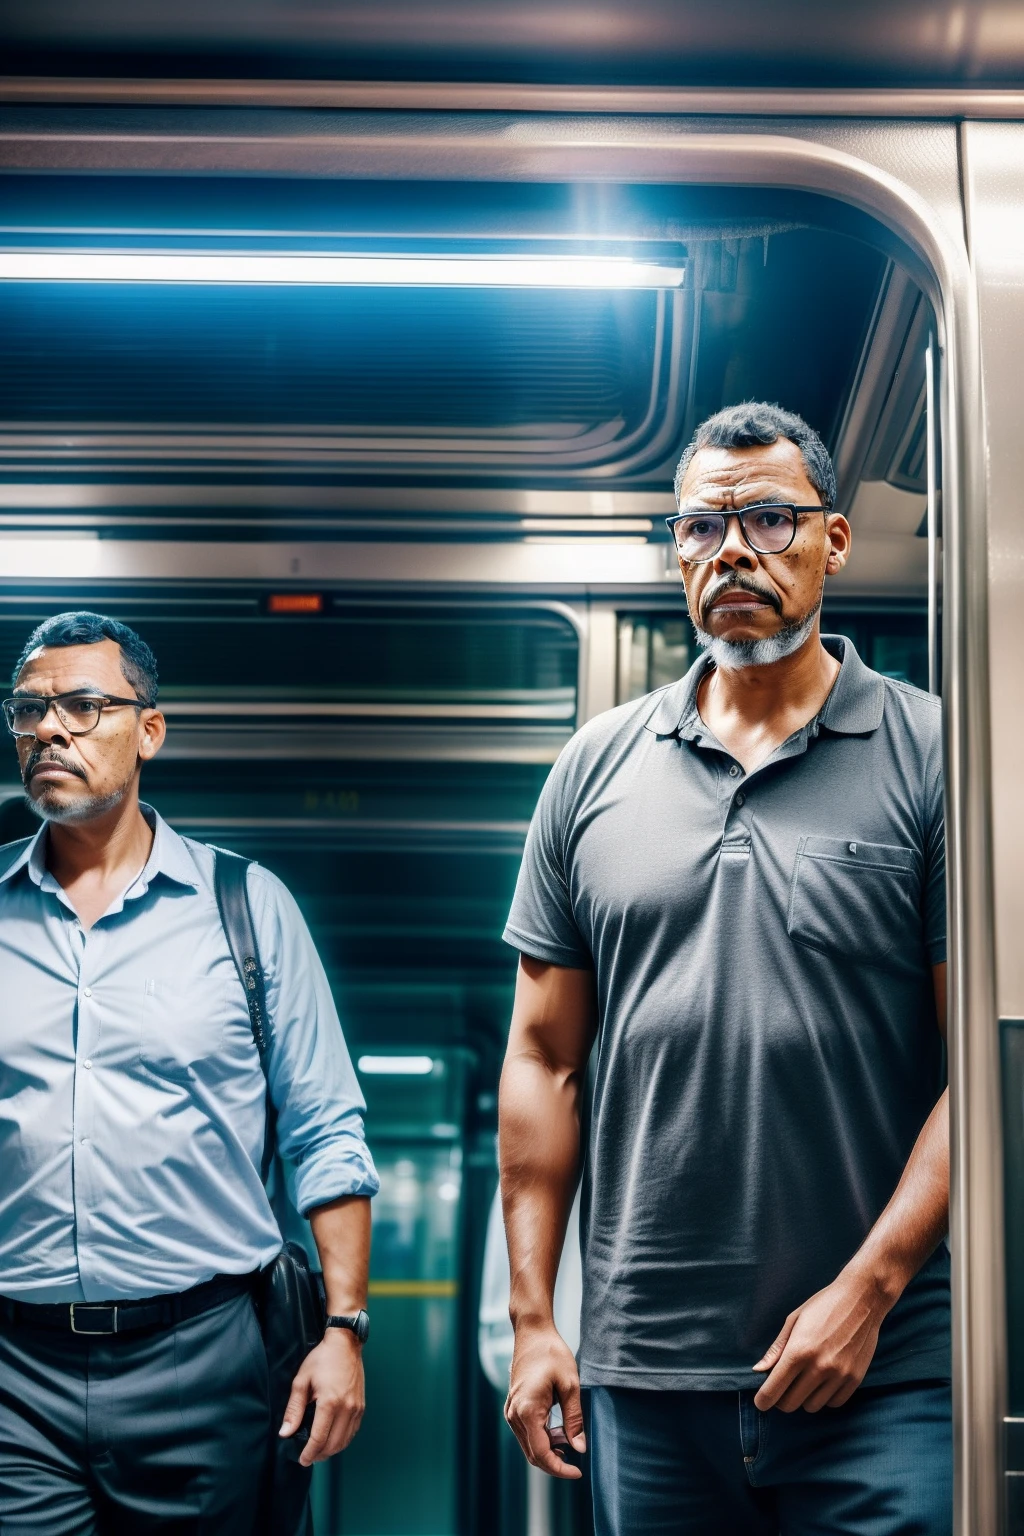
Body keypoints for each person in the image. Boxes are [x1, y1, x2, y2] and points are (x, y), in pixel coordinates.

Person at [499, 403, 951, 1535]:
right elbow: (543, 1059)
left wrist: (870, 1288)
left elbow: (984, 1074)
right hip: (645, 1374)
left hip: (880, 1373)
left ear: (833, 542)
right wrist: (533, 1322)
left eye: (768, 518)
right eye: (702, 527)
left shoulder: (937, 755)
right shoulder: (591, 770)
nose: (733, 550)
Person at [0, 611, 378, 1534]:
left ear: (150, 731)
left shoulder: (245, 908)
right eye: (30, 709)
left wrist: (344, 1330)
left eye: (84, 707)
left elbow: (325, 1130)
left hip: (204, 1356)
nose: (50, 729)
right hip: (15, 1368)